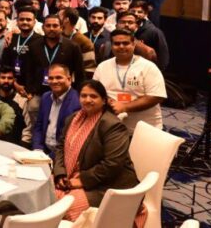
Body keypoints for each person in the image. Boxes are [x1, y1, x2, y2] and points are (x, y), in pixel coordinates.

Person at [53, 80, 143, 225]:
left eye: (93, 96)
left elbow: (112, 164)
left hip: (109, 185)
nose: (87, 100)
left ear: (104, 101)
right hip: (76, 174)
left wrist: (81, 181)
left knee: (64, 208)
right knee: (45, 193)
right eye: (84, 96)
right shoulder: (73, 118)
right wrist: (60, 173)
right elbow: (60, 147)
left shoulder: (112, 125)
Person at [93, 29, 167, 132]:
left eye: (125, 43)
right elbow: (95, 91)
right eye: (117, 43)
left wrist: (125, 107)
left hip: (144, 129)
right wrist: (108, 101)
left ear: (133, 44)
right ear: (112, 46)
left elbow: (156, 96)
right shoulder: (102, 67)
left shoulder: (148, 67)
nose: (121, 46)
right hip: (111, 128)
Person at [32, 64, 81, 156]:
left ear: (69, 79)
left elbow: (70, 140)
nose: (54, 81)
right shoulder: (45, 97)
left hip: (62, 155)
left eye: (59, 77)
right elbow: (39, 126)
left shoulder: (77, 102)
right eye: (51, 78)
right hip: (42, 151)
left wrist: (48, 157)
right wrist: (37, 149)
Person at [0, 67, 32, 146]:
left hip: (15, 143)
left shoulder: (22, 100)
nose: (6, 81)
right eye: (3, 78)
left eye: (9, 78)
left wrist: (23, 144)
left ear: (14, 80)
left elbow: (28, 128)